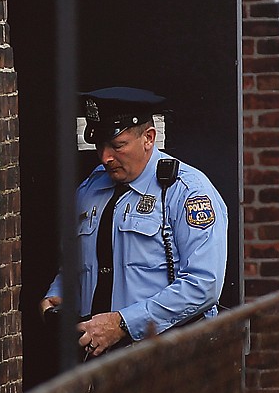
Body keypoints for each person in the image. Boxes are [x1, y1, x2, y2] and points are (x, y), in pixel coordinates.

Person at [40, 87, 228, 358]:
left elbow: (203, 284)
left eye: (117, 146)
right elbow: (74, 263)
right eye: (100, 145)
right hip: (97, 356)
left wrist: (123, 323)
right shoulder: (90, 189)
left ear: (149, 138)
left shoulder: (187, 191)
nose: (106, 157)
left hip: (168, 354)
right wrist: (58, 296)